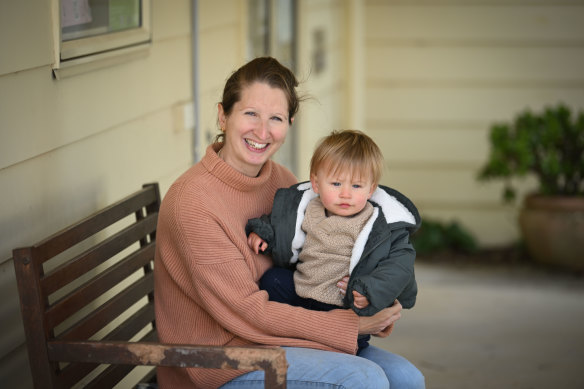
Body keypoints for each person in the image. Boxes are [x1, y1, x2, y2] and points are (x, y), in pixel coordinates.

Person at [154, 56, 425, 389]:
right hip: (220, 359)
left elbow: (314, 259)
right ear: (223, 115)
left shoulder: (281, 182)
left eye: (276, 118)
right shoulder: (193, 203)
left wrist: (369, 297)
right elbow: (246, 312)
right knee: (363, 380)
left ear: (289, 124)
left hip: (277, 335)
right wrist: (351, 326)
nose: (263, 131)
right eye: (250, 114)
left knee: (406, 378)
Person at [246, 129, 420, 352]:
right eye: (336, 184)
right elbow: (281, 222)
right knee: (273, 280)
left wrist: (369, 290)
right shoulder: (307, 206)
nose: (345, 194)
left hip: (343, 305)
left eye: (356, 186)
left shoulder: (377, 225)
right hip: (303, 291)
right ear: (317, 184)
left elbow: (398, 268)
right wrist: (264, 232)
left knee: (356, 336)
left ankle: (330, 343)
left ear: (371, 189)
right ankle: (299, 336)